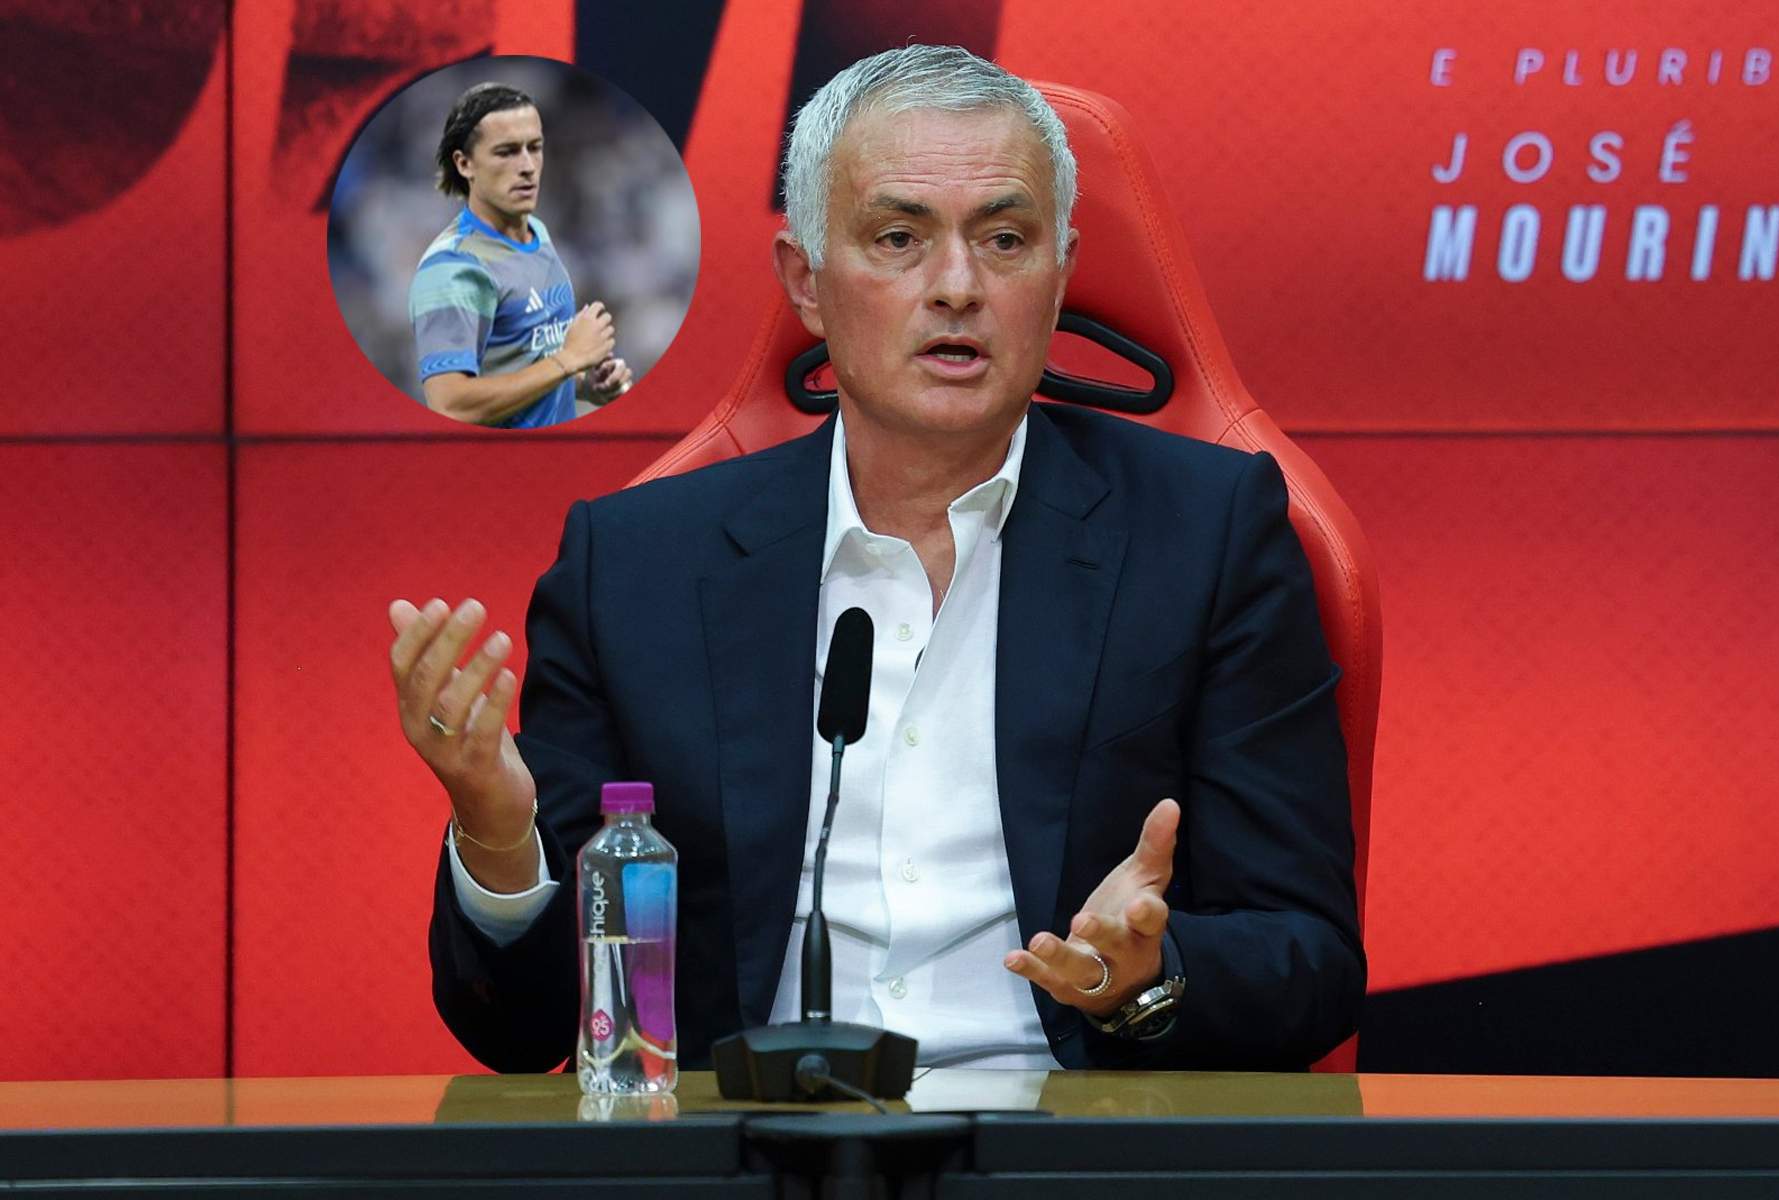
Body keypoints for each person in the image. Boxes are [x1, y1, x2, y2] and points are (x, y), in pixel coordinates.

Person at [393, 46, 1362, 1072]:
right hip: (750, 1135)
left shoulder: (1204, 535)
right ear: (805, 282)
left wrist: (1149, 977)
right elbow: (523, 1031)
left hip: (1071, 1133)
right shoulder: (635, 570)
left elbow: (1309, 960)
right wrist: (497, 832)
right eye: (899, 238)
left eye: (1005, 240)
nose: (958, 287)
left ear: (1061, 274)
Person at [409, 81, 632, 429]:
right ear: (465, 164)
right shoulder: (453, 267)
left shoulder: (537, 233)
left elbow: (523, 363)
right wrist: (568, 360)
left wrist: (584, 384)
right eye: (506, 152)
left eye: (534, 147)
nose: (527, 165)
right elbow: (451, 406)